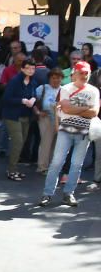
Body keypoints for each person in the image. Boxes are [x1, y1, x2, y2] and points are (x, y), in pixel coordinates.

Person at [39, 61, 100, 207]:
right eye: (81, 73)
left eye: (87, 73)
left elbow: (94, 112)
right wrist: (85, 108)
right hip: (65, 131)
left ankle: (69, 194)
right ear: (75, 74)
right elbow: (66, 109)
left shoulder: (94, 91)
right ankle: (47, 194)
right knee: (56, 163)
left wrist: (74, 108)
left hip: (84, 133)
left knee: (76, 165)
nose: (84, 75)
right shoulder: (66, 89)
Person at [2, 58, 39, 181]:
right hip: (13, 116)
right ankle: (11, 170)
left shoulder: (33, 81)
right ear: (22, 68)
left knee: (21, 143)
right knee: (17, 142)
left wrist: (33, 99)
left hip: (26, 116)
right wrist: (22, 100)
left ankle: (14, 169)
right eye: (27, 68)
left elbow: (34, 94)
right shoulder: (15, 81)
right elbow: (6, 98)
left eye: (33, 68)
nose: (30, 70)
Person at [34, 67, 63, 174]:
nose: (56, 80)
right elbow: (33, 101)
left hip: (60, 119)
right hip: (46, 118)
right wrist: (38, 112)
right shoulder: (42, 88)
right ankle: (42, 167)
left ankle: (52, 166)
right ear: (49, 78)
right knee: (46, 142)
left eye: (58, 78)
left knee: (56, 144)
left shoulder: (64, 90)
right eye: (54, 78)